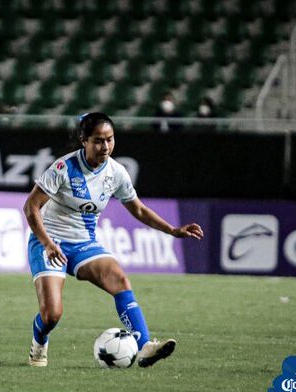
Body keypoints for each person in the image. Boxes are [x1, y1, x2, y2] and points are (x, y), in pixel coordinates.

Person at [23, 112, 204, 368]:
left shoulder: (116, 172)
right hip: (48, 241)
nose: (105, 146)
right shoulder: (63, 168)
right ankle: (39, 342)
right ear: (84, 140)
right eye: (98, 140)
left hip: (84, 243)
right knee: (52, 314)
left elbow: (138, 209)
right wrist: (48, 243)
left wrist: (172, 230)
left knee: (119, 279)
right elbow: (31, 208)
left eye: (110, 139)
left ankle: (145, 347)